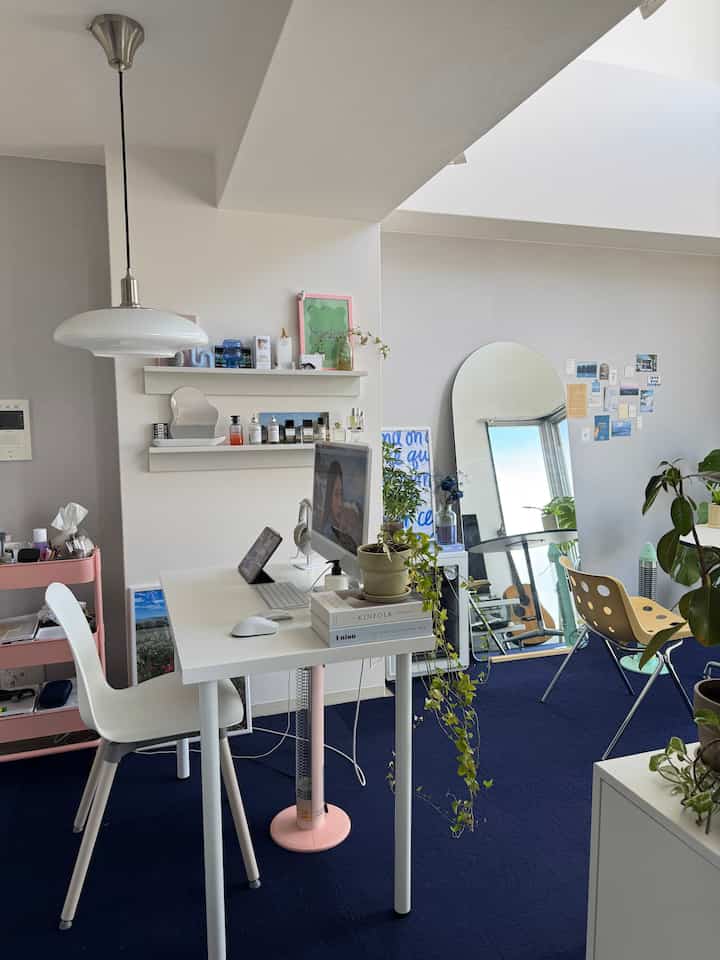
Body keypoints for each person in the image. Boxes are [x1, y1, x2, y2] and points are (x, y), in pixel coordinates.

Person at [319, 460, 363, 553]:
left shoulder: (351, 510)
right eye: (336, 494)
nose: (340, 503)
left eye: (341, 494)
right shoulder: (327, 533)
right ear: (329, 497)